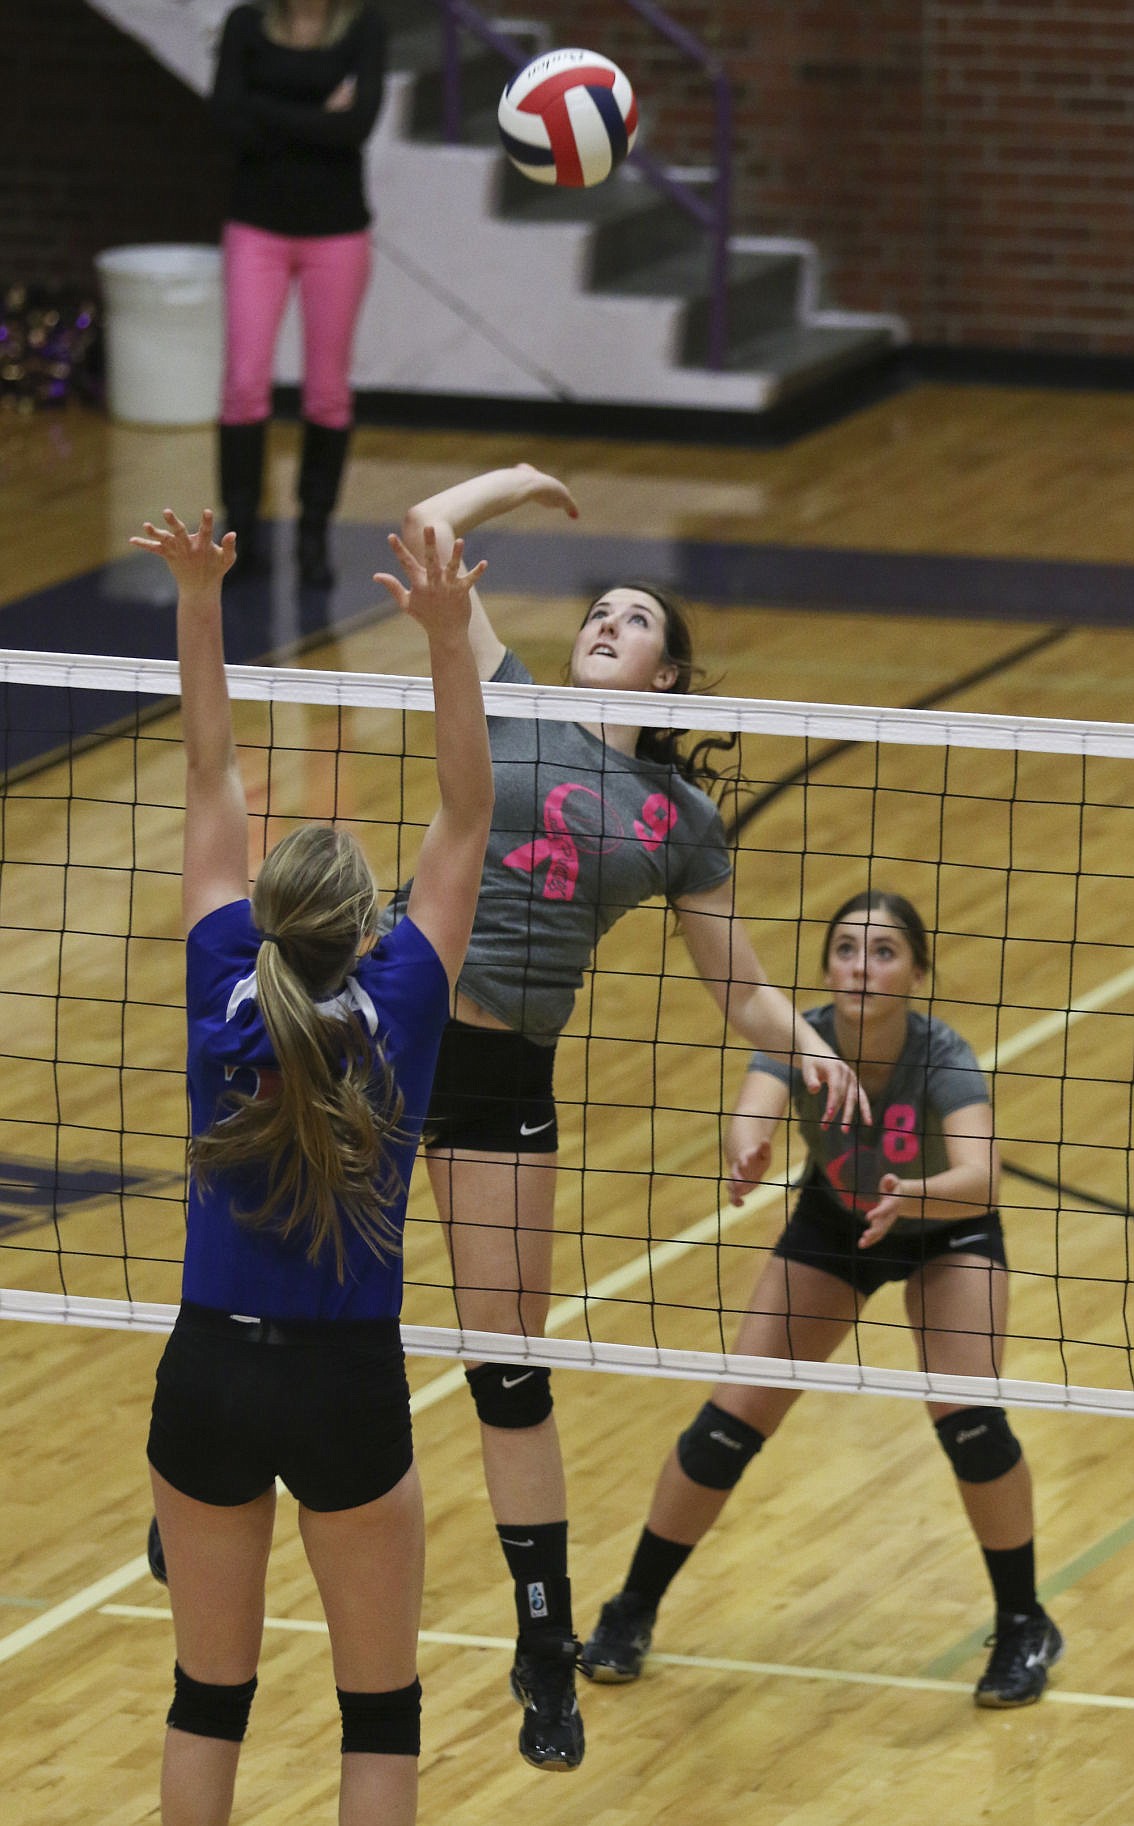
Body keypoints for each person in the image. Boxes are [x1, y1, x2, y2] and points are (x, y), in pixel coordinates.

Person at [383, 464, 868, 1772]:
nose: (605, 616)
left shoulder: (679, 822)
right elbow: (426, 530)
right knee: (291, 1299)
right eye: (598, 604)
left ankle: (543, 1645)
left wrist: (811, 1049)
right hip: (389, 1027)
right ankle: (199, 1482)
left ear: (664, 679)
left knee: (507, 1367)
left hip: (501, 1081)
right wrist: (519, 483)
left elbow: (745, 993)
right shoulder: (514, 695)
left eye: (634, 616)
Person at [130, 505, 492, 1826]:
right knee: (377, 1711)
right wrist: (448, 639)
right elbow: (468, 806)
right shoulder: (403, 993)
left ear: (267, 916)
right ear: (370, 923)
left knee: (205, 1695)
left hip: (207, 1368)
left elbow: (210, 770)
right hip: (344, 1377)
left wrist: (198, 592)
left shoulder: (223, 970)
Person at [581, 889, 1064, 1710]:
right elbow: (750, 1117)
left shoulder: (941, 1056)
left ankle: (1024, 1621)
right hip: (836, 1224)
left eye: (883, 952)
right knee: (728, 1425)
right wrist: (749, 1152)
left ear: (916, 970)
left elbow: (981, 1179)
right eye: (846, 949)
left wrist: (910, 1196)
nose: (861, 967)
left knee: (970, 1421)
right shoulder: (797, 1040)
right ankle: (630, 1610)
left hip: (944, 1229)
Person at [210, 0, 387, 587]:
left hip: (337, 231)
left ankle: (313, 538)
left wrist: (266, 109)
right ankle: (242, 535)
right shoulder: (245, 24)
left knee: (328, 393)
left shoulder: (364, 27)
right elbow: (226, 121)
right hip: (255, 226)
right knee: (242, 386)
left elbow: (358, 126)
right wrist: (317, 114)